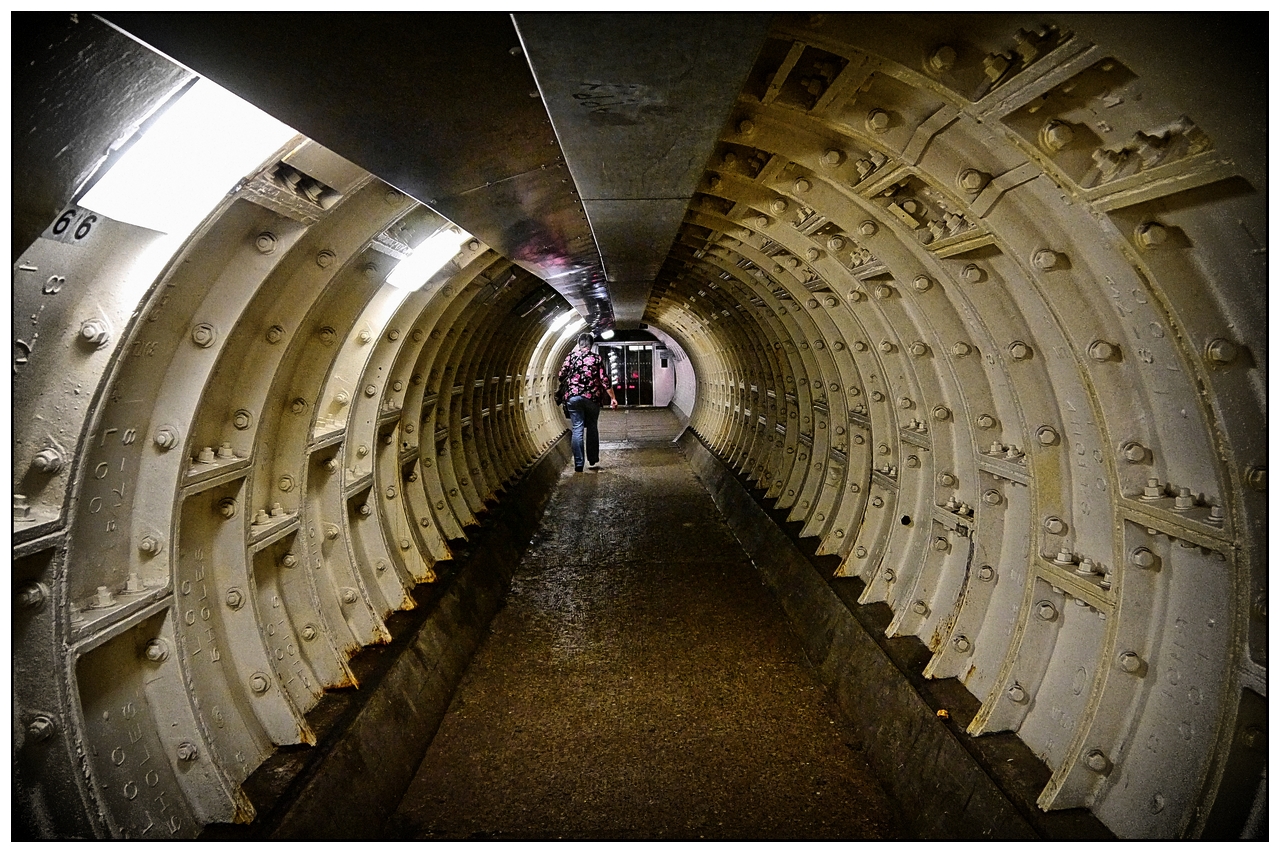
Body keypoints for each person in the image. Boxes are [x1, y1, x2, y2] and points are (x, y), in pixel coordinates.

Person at [557, 332, 618, 472]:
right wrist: (613, 398)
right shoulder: (596, 358)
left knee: (577, 429)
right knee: (591, 427)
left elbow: (561, 375)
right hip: (592, 398)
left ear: (579, 344)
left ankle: (579, 463)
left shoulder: (571, 357)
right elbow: (604, 380)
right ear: (591, 344)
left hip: (573, 398)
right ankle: (592, 458)